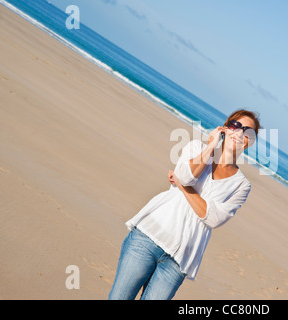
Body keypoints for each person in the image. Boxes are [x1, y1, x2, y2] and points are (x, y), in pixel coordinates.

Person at [108, 109, 261, 300]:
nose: (239, 133)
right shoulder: (196, 148)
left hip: (179, 261)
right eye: (236, 126)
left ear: (250, 142)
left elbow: (213, 218)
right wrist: (211, 146)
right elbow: (186, 176)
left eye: (248, 132)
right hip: (148, 237)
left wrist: (183, 187)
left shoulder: (241, 185)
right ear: (225, 127)